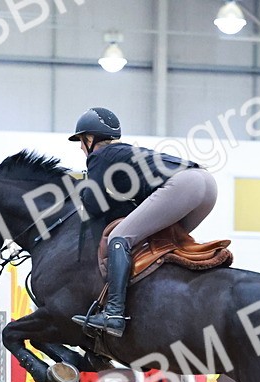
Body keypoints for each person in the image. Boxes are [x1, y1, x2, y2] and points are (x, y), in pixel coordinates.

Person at [68, 107, 218, 338]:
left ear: (90, 139)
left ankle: (114, 314)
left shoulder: (99, 156)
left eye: (81, 140)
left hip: (184, 185)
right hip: (206, 185)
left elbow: (93, 204)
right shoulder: (124, 155)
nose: (80, 147)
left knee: (119, 238)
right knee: (158, 243)